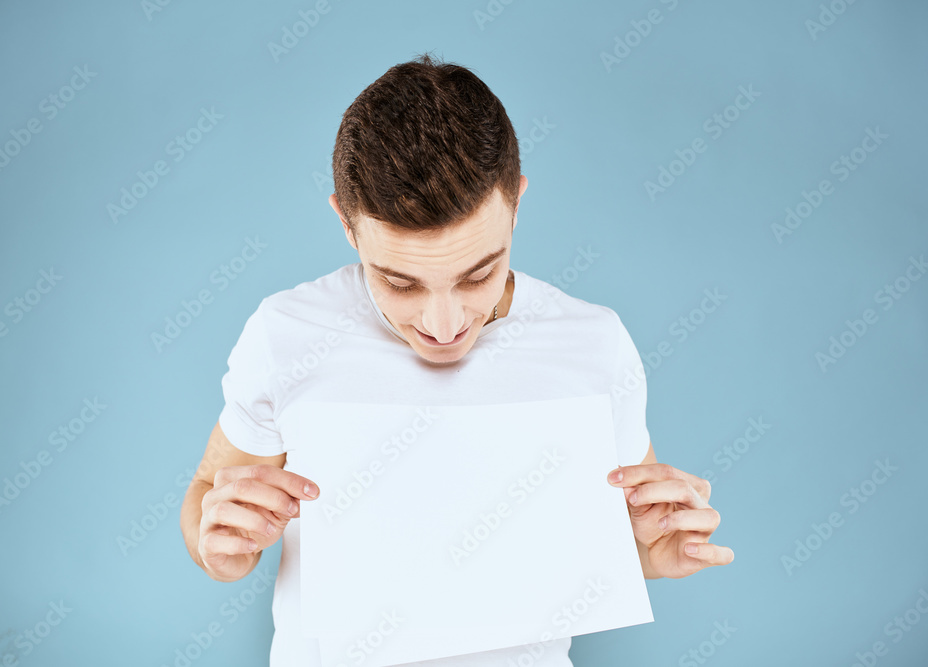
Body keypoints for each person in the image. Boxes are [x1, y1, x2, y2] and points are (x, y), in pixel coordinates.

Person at [180, 52, 734, 666]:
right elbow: (209, 489)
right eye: (400, 283)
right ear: (346, 223)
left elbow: (624, 530)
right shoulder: (287, 334)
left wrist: (655, 549)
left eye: (478, 275)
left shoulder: (594, 344)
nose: (443, 329)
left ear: (516, 203)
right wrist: (217, 547)